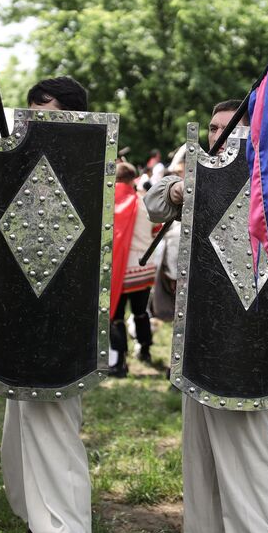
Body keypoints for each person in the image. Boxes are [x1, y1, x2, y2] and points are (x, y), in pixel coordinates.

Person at [145, 99, 268, 533]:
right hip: (198, 337)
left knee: (250, 459)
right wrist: (176, 188)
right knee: (200, 454)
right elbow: (153, 203)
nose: (218, 135)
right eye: (213, 128)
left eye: (228, 128)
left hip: (246, 346)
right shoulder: (196, 170)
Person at [0, 75, 97, 533]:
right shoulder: (19, 166)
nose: (30, 122)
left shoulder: (87, 166)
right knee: (19, 446)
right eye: (27, 112)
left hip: (63, 334)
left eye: (43, 111)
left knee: (56, 450)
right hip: (22, 329)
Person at [109, 161, 157, 376]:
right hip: (143, 268)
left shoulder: (111, 202)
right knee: (140, 312)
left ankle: (119, 362)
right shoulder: (145, 202)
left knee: (117, 315)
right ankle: (145, 350)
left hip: (120, 269)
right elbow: (156, 230)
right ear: (133, 179)